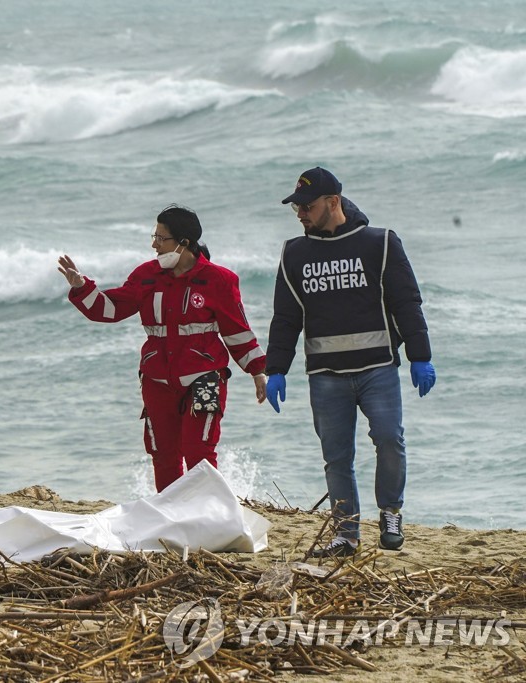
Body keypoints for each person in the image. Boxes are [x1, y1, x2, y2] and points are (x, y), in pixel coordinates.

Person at [265, 167, 436, 558]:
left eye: (307, 206)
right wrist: (275, 368)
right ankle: (346, 533)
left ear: (333, 202)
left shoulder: (381, 243)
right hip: (325, 376)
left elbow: (406, 302)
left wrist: (419, 356)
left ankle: (390, 513)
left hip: (378, 368)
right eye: (296, 208)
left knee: (390, 441)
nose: (301, 214)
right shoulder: (295, 253)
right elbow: (286, 316)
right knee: (336, 457)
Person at [58, 205, 267, 492]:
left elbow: (237, 330)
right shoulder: (146, 275)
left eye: (160, 237)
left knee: (199, 454)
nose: (154, 244)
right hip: (157, 381)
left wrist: (258, 372)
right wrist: (82, 287)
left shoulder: (219, 279)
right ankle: (171, 519)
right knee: (163, 456)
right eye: (154, 235)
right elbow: (110, 309)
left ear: (183, 243)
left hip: (204, 377)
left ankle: (209, 517)